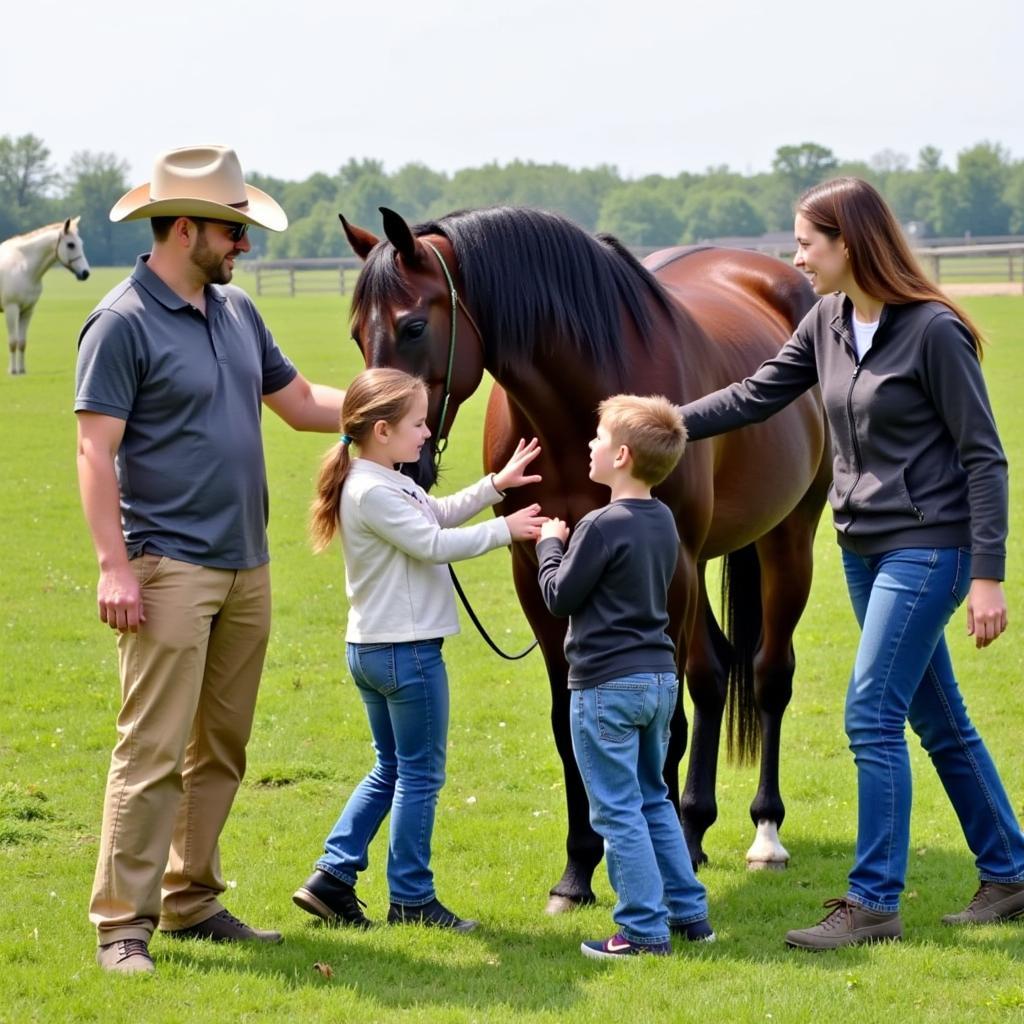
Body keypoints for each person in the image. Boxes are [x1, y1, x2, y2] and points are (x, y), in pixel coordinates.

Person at [680, 176, 1024, 950]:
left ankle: (872, 902)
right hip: (865, 551)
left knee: (872, 714)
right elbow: (756, 394)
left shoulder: (934, 332)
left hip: (931, 547)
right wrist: (670, 420)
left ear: (850, 244)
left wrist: (988, 575)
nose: (795, 255)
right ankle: (1010, 872)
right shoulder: (827, 320)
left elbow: (985, 457)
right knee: (941, 719)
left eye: (807, 242)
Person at [75, 145, 347, 974]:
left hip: (247, 564)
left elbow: (300, 407)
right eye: (234, 233)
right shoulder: (120, 323)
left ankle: (191, 902)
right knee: (152, 750)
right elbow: (94, 451)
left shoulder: (237, 315)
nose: (245, 248)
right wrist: (113, 567)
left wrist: (388, 402)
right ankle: (123, 924)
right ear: (185, 228)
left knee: (221, 747)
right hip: (167, 569)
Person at [293, 367, 547, 932]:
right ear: (381, 430)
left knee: (392, 767)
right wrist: (510, 531)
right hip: (405, 655)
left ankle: (332, 877)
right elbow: (432, 545)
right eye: (417, 423)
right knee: (420, 775)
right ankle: (410, 896)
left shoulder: (385, 479)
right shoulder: (371, 491)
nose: (427, 432)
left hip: (375, 650)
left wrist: (497, 484)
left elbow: (436, 513)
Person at [535, 394, 714, 959]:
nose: (590, 446)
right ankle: (689, 913)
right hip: (659, 681)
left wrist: (548, 548)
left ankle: (641, 929)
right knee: (654, 798)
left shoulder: (599, 525)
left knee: (616, 810)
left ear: (622, 457)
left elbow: (560, 596)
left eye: (598, 440)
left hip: (605, 688)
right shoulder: (663, 519)